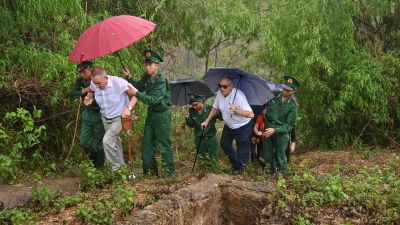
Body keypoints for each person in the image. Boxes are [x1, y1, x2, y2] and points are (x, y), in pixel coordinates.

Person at [123, 50, 175, 176]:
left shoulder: (161, 79)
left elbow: (153, 100)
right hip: (151, 114)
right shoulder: (147, 76)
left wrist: (135, 93)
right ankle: (150, 173)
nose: (147, 67)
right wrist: (129, 77)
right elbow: (139, 86)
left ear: (156, 65)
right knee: (147, 143)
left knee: (163, 143)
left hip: (162, 115)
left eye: (150, 65)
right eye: (146, 64)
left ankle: (169, 173)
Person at [85, 67, 138, 175]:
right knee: (115, 142)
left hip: (119, 118)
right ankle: (122, 169)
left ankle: (114, 171)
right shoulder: (95, 84)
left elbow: (136, 95)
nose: (98, 86)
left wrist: (128, 108)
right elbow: (91, 90)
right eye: (96, 84)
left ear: (105, 77)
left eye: (99, 83)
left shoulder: (119, 83)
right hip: (105, 118)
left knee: (107, 141)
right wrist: (89, 97)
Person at [201, 77, 254, 173]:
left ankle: (242, 169)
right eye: (220, 86)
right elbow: (215, 108)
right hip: (229, 125)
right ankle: (236, 164)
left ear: (231, 87)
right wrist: (207, 120)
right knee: (224, 144)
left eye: (225, 86)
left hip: (243, 126)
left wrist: (237, 110)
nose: (222, 88)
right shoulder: (219, 94)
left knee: (242, 148)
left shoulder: (239, 96)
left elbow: (251, 114)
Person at [68, 61, 105, 169]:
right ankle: (95, 161)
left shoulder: (99, 78)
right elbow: (71, 95)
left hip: (99, 113)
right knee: (84, 142)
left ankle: (100, 168)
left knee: (100, 143)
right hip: (87, 114)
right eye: (80, 72)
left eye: (84, 71)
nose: (82, 74)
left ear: (90, 69)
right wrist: (86, 89)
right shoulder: (80, 81)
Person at [263, 75, 300, 174]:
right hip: (268, 128)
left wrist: (275, 130)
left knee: (281, 157)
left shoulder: (293, 105)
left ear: (293, 91)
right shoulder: (274, 96)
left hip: (281, 133)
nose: (285, 91)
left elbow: (290, 125)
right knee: (267, 155)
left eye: (288, 90)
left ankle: (284, 177)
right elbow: (266, 109)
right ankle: (269, 175)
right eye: (284, 88)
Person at [184, 93, 221, 163]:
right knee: (201, 160)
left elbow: (222, 117)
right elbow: (191, 125)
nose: (194, 107)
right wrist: (187, 118)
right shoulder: (191, 111)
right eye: (192, 105)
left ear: (202, 101)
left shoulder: (211, 109)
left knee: (213, 160)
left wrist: (222, 107)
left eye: (196, 104)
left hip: (211, 138)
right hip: (199, 139)